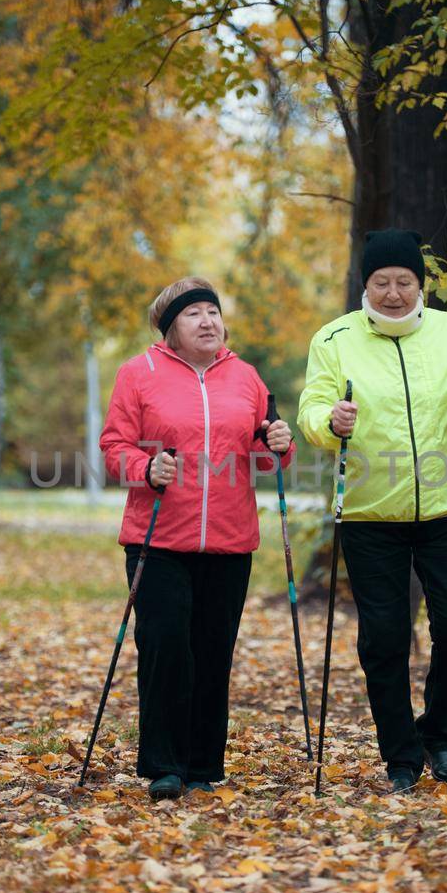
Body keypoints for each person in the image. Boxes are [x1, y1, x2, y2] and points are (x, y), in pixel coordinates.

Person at [297, 229, 447, 792]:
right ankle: (401, 754)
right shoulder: (334, 339)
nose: (392, 293)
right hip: (370, 513)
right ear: (366, 284)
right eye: (381, 282)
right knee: (383, 638)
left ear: (421, 284)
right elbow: (312, 411)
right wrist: (328, 422)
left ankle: (437, 734)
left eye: (404, 282)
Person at [100, 276, 294, 801]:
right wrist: (145, 467)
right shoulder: (137, 374)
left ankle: (204, 766)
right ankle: (164, 764)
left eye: (212, 311)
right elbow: (114, 446)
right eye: (193, 314)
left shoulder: (246, 377)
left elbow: (263, 454)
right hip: (158, 538)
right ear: (170, 330)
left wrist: (279, 443)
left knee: (213, 652)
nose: (207, 321)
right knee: (166, 648)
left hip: (230, 542)